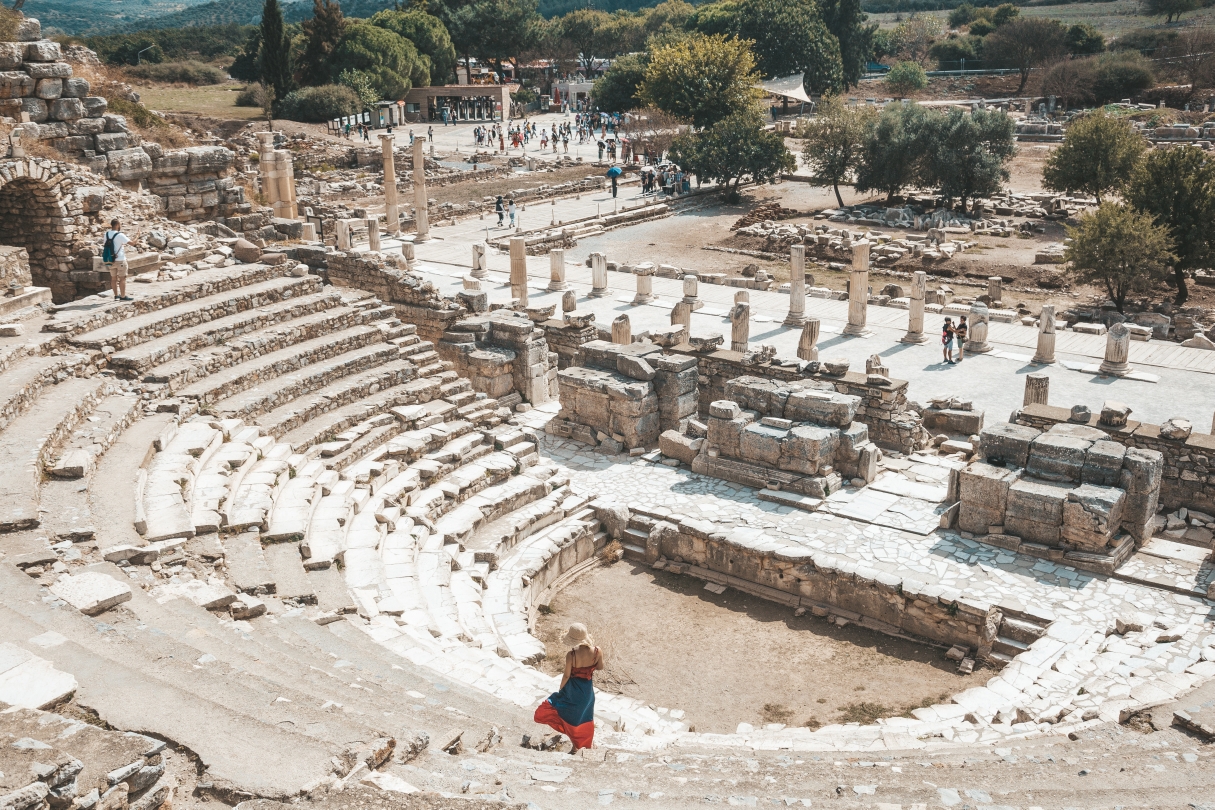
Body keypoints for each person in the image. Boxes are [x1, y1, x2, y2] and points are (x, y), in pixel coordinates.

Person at [533, 623, 603, 752]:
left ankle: (576, 745)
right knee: (585, 717)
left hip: (572, 690)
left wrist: (561, 690)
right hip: (587, 692)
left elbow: (566, 675)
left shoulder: (571, 655)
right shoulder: (597, 651)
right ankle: (582, 744)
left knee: (566, 713)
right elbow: (600, 667)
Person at [102, 219, 131, 300]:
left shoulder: (106, 234)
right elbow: (132, 243)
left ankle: (116, 295)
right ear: (117, 224)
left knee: (113, 278)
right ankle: (123, 296)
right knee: (122, 278)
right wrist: (137, 236)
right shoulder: (120, 235)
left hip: (110, 260)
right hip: (120, 259)